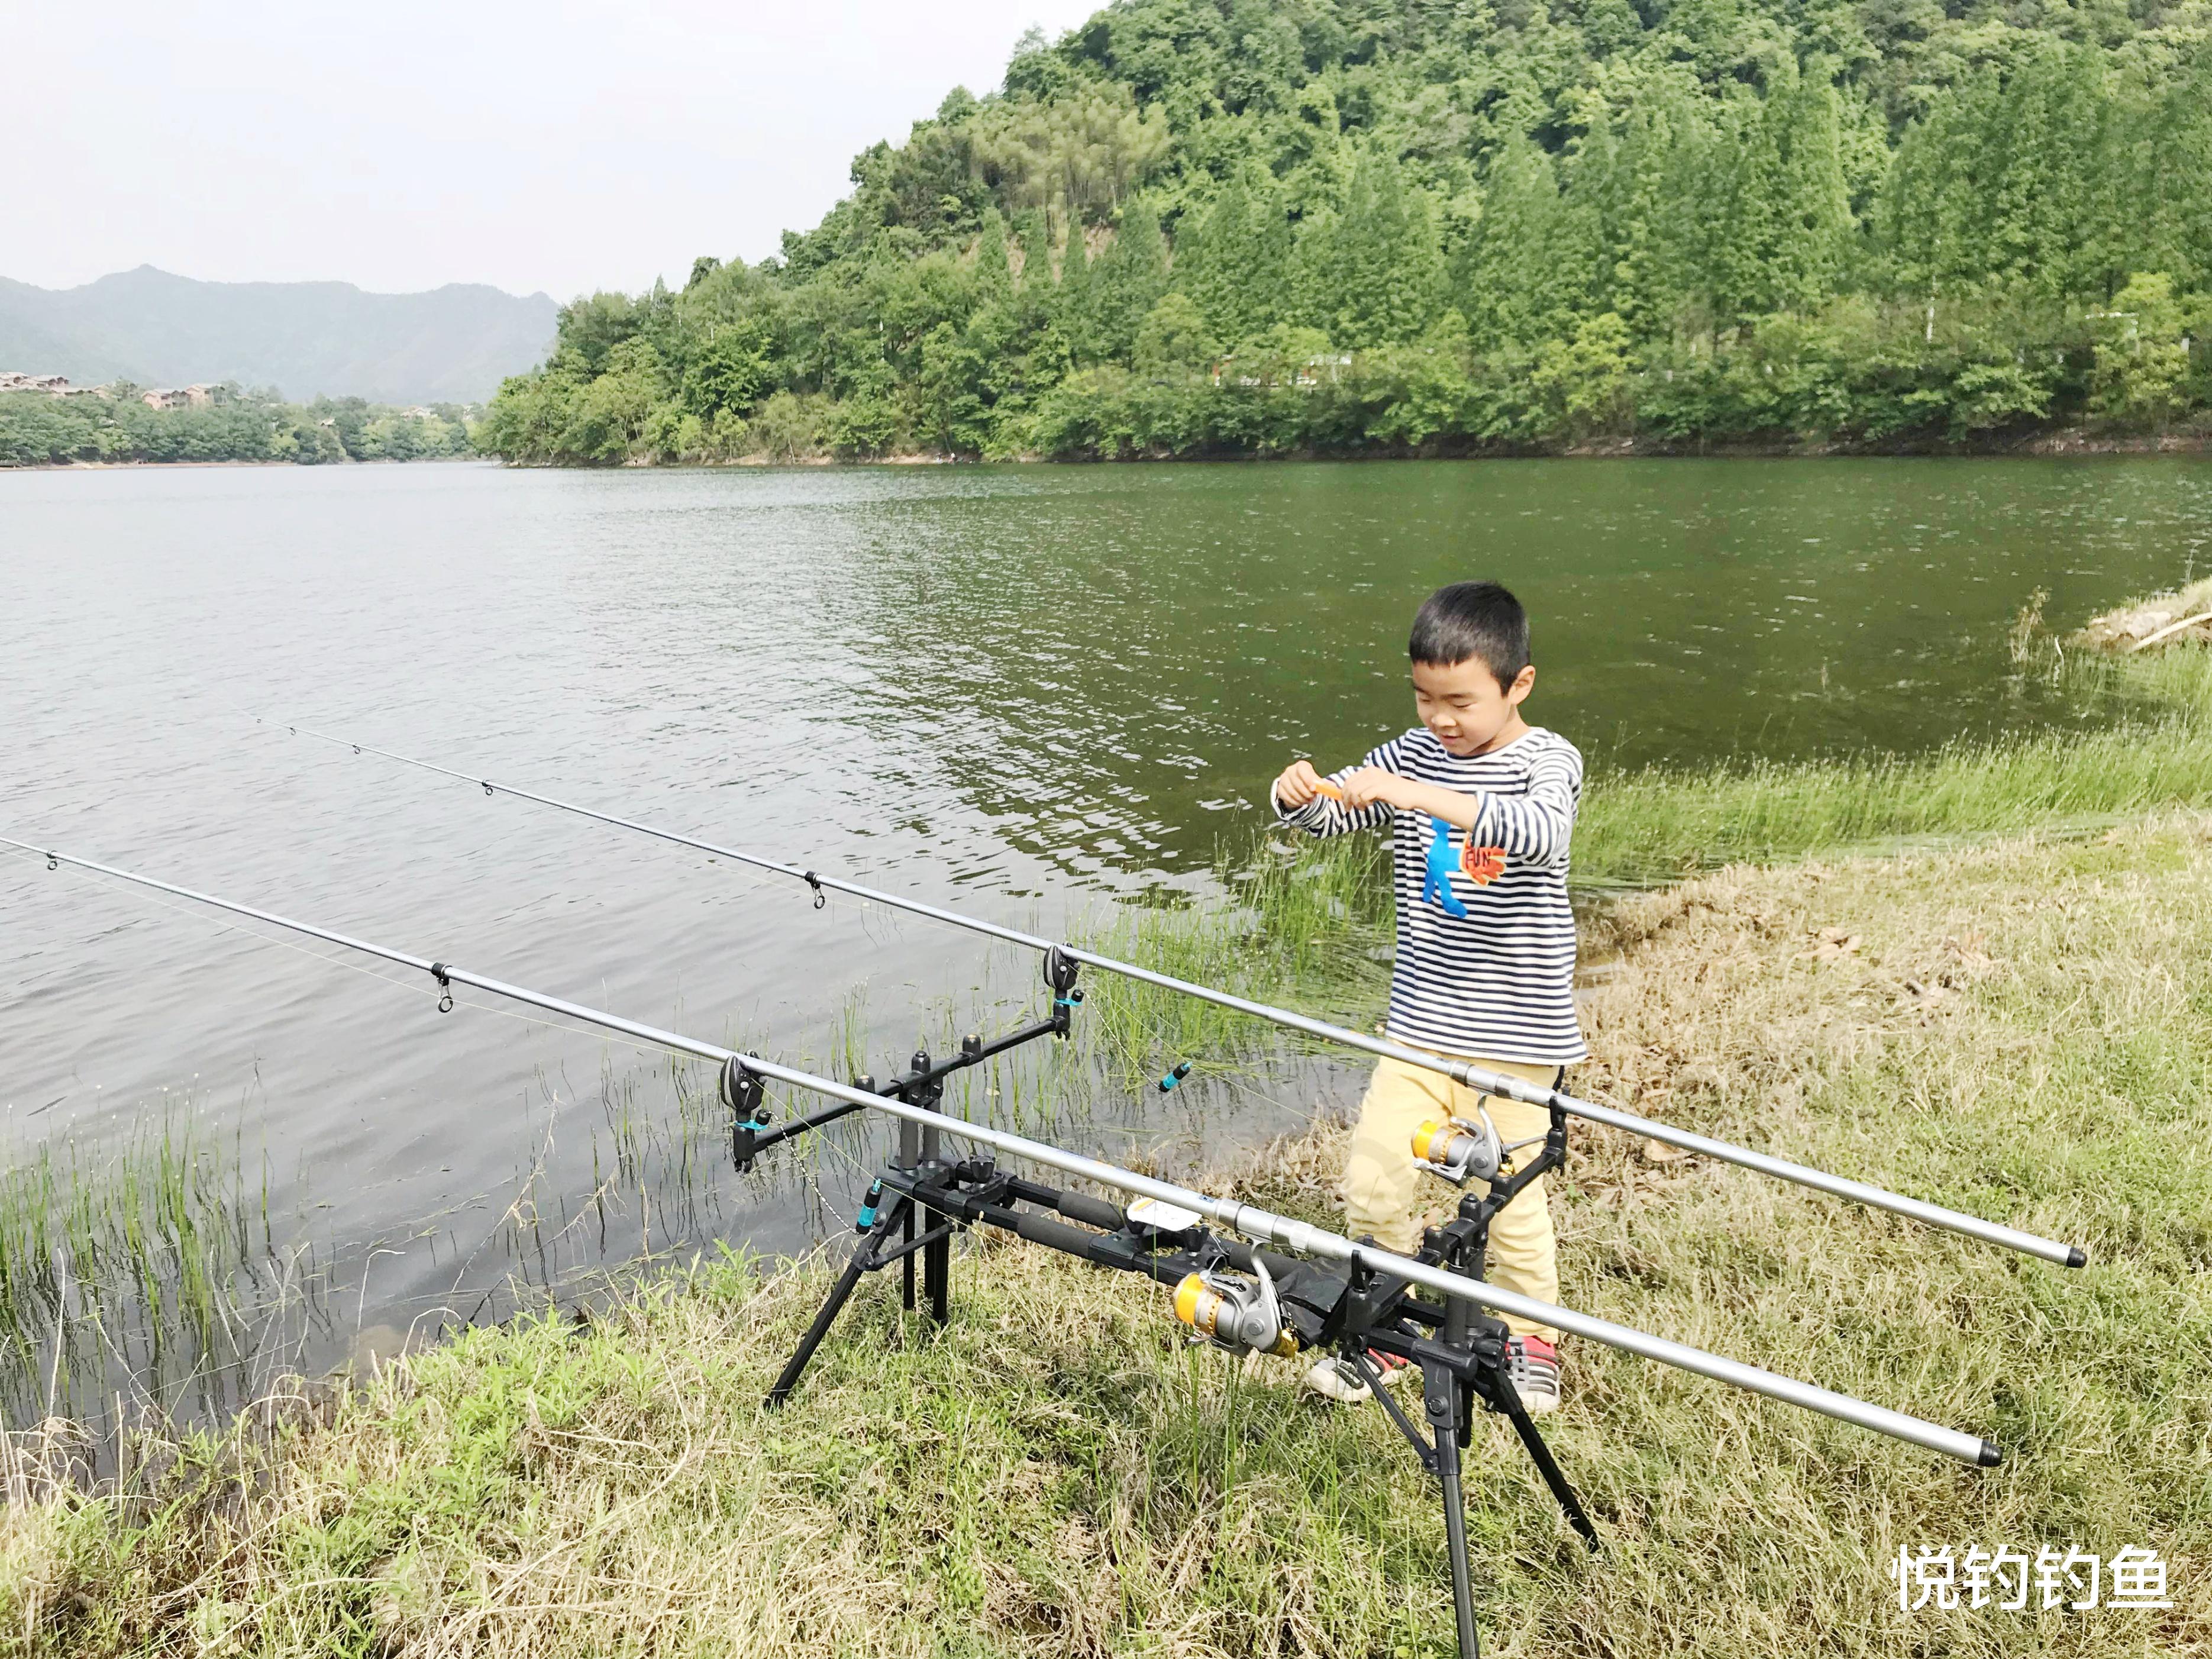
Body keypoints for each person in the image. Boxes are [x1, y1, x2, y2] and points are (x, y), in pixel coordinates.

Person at [1271, 580, 1585, 1413]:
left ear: (1518, 685)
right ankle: (1386, 1331)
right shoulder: (1409, 753)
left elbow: (1540, 833)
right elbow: (1333, 815)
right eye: (1423, 698)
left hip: (1518, 1032)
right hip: (1421, 1022)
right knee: (1374, 1181)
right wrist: (1299, 795)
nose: (1439, 720)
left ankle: (1531, 1340)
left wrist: (1421, 796)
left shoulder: (1548, 760)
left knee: (1508, 1201)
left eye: (1460, 702)